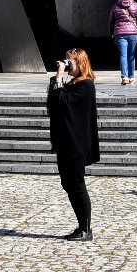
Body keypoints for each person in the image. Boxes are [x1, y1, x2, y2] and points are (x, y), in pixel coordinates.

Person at [47, 47, 100, 242]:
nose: (67, 64)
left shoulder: (85, 85)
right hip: (66, 141)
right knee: (68, 183)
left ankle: (86, 229)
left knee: (77, 184)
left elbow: (62, 103)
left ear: (81, 63)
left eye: (71, 62)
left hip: (76, 143)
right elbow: (54, 102)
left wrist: (59, 78)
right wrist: (58, 80)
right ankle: (81, 226)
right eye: (66, 61)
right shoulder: (73, 83)